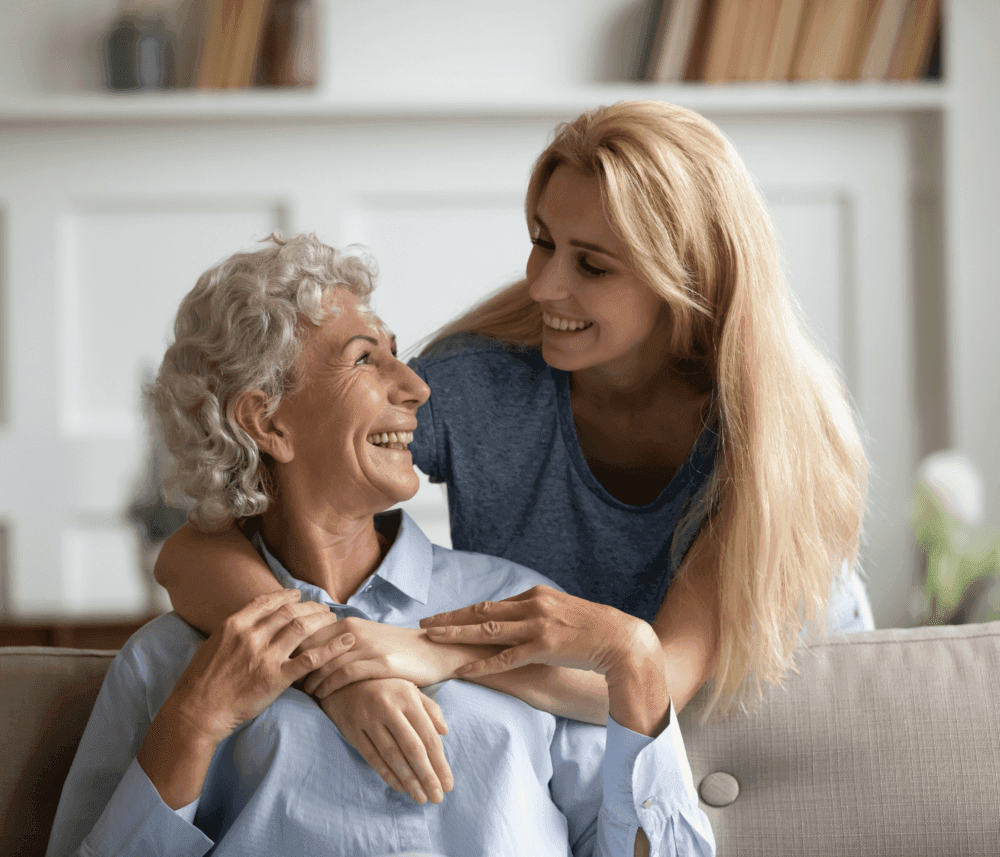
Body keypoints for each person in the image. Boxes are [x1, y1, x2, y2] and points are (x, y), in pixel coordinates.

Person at [154, 100, 872, 763]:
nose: (543, 285)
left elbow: (661, 675)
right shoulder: (485, 387)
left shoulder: (764, 438)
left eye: (590, 264)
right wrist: (331, 669)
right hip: (581, 741)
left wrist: (436, 652)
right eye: (542, 242)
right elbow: (195, 549)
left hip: (780, 725)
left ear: (683, 274)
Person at [46, 234, 714, 857]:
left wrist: (635, 660)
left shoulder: (515, 605)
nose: (417, 387)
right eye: (366, 357)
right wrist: (193, 723)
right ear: (267, 421)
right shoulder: (166, 665)